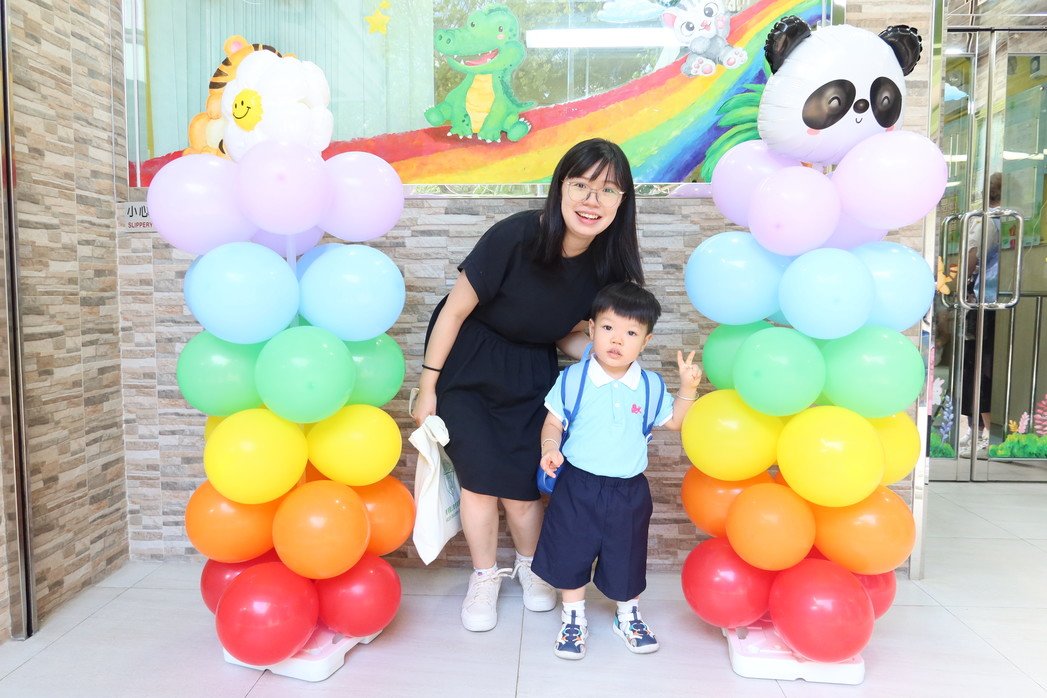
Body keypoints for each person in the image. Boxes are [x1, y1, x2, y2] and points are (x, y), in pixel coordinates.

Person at [411, 139, 645, 632]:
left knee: (523, 489)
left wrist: (618, 366)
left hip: (531, 369)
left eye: (607, 190)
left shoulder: (610, 267)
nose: (591, 200)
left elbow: (568, 334)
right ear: (560, 187)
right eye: (581, 185)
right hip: (469, 363)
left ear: (622, 201)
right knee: (478, 483)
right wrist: (428, 384)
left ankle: (530, 566)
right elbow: (453, 312)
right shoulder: (516, 235)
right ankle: (484, 576)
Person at [531, 282, 702, 660]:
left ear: (646, 341)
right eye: (608, 327)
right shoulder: (573, 379)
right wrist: (549, 448)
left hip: (629, 489)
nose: (617, 340)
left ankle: (628, 615)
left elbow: (674, 422)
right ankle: (573, 616)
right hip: (577, 484)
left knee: (627, 553)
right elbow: (553, 422)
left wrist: (688, 389)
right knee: (571, 549)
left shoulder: (650, 385)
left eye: (631, 333)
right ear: (591, 329)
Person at [960, 172, 1001, 456]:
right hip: (996, 298)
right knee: (982, 363)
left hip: (984, 301)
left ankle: (984, 431)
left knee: (978, 363)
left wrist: (959, 283)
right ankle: (979, 429)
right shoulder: (1006, 220)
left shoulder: (987, 220)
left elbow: (972, 255)